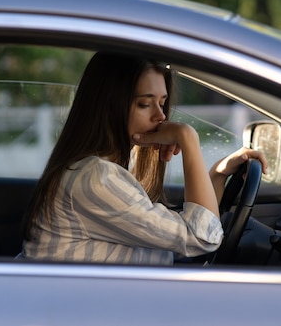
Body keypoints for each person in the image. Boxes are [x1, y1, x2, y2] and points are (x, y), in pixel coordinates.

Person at [20, 52, 267, 265]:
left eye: (162, 103)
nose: (160, 116)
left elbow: (187, 230)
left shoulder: (106, 169)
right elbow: (202, 238)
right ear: (109, 106)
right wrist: (187, 138)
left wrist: (217, 174)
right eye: (144, 104)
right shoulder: (95, 178)